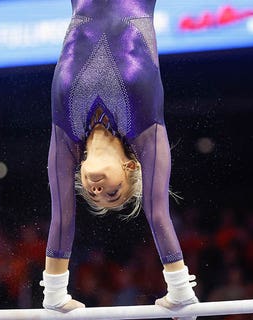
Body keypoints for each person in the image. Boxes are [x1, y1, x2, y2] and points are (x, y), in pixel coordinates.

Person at [41, 0, 199, 316]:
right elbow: (157, 213)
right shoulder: (145, 130)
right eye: (113, 193)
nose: (97, 190)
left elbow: (62, 218)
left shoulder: (65, 137)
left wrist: (55, 295)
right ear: (130, 167)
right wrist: (180, 290)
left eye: (93, 194)